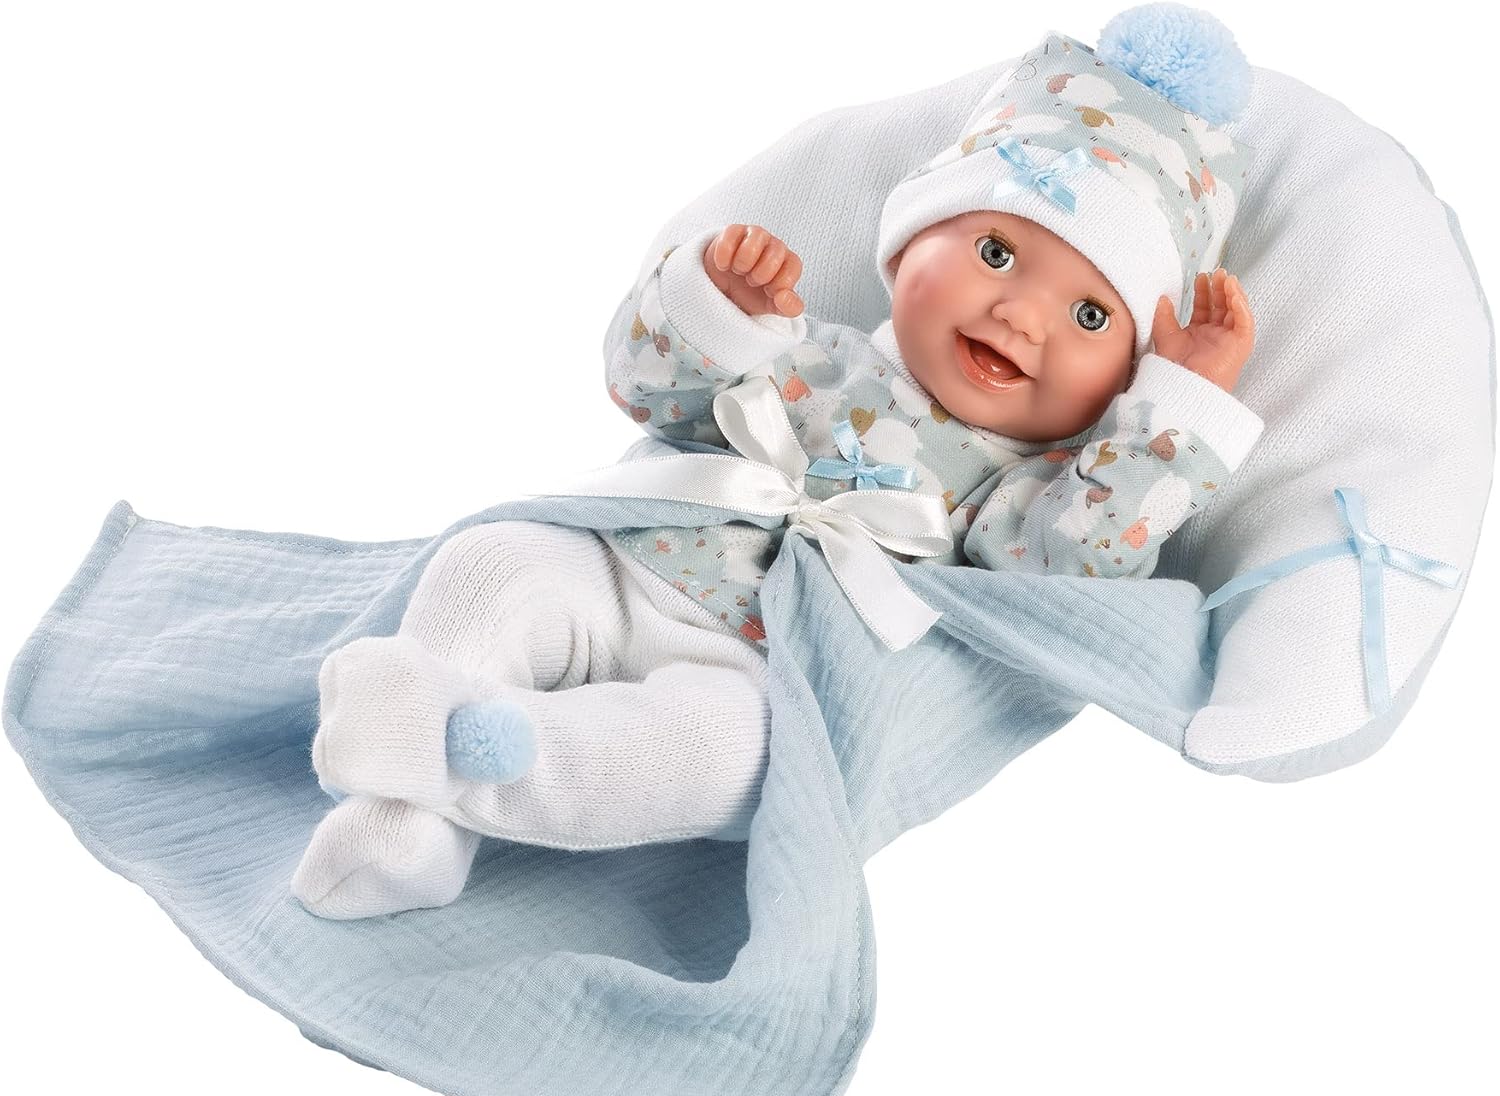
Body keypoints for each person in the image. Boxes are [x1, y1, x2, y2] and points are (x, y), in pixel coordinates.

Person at [292, 10, 1261, 919]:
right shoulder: (816, 359)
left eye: (1089, 315)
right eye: (997, 253)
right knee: (496, 562)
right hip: (632, 569)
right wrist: (720, 310)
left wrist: (1172, 412)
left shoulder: (1026, 497)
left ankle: (463, 770)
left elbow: (1070, 570)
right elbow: (654, 393)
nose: (1021, 315)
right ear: (907, 246)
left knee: (724, 756)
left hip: (767, 669)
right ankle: (409, 820)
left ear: (1124, 379)